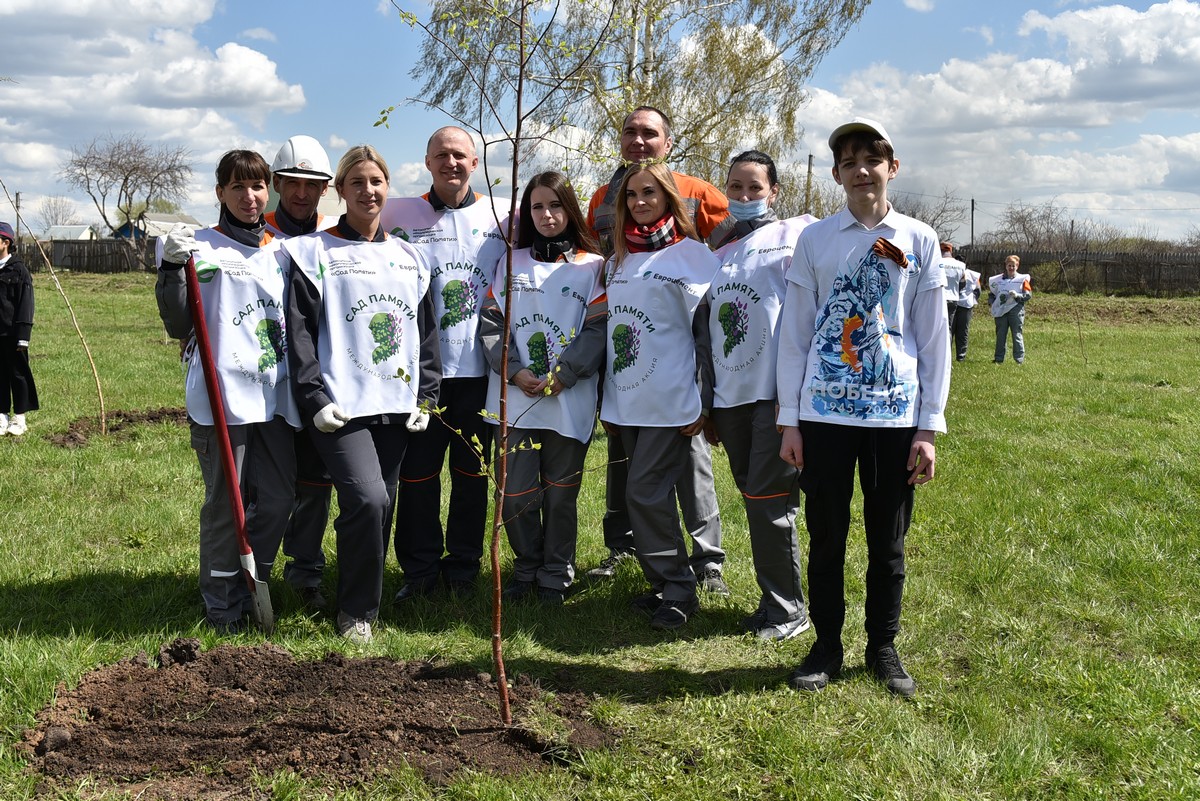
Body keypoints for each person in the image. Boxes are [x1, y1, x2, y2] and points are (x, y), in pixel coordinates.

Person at [777, 118, 950, 697]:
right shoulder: (816, 240)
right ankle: (826, 645)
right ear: (836, 175)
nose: (860, 170)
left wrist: (929, 426)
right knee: (826, 534)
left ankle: (883, 646)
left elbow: (932, 338)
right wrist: (788, 419)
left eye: (870, 159)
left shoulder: (919, 239)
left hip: (893, 416)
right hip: (824, 414)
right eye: (848, 162)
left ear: (891, 167)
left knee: (888, 539)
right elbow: (795, 334)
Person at [284, 144, 441, 643]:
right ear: (339, 191)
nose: (368, 191)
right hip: (340, 406)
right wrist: (314, 398)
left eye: (376, 182)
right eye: (357, 183)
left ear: (386, 188)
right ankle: (356, 613)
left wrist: (428, 397)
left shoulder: (410, 257)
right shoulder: (314, 254)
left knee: (382, 506)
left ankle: (356, 595)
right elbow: (300, 333)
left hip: (395, 406)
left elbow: (426, 334)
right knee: (368, 501)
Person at [585, 105, 730, 595]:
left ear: (668, 142)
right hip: (629, 372)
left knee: (689, 467)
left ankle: (706, 561)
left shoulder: (698, 192)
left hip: (678, 374)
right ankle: (631, 549)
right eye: (630, 132)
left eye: (649, 133)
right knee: (631, 475)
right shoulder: (603, 197)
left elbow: (730, 244)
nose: (638, 141)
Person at [155, 150, 299, 634]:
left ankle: (251, 574)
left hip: (275, 399)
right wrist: (172, 270)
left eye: (258, 186)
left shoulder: (278, 248)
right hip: (220, 399)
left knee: (278, 499)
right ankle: (222, 602)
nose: (249, 196)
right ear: (220, 192)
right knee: (225, 503)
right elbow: (178, 322)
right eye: (238, 187)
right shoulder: (198, 246)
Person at [379, 126, 506, 601]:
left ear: (475, 163)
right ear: (427, 162)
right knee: (417, 476)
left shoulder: (501, 218)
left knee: (472, 476)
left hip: (478, 373)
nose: (451, 163)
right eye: (441, 156)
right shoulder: (398, 212)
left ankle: (464, 567)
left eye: (460, 156)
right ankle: (419, 569)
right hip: (419, 376)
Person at [600, 161, 722, 630]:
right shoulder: (618, 260)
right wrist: (606, 402)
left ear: (669, 197)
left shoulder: (694, 256)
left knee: (645, 492)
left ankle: (678, 588)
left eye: (648, 192)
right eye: (630, 195)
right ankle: (661, 582)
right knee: (641, 497)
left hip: (672, 400)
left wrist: (705, 401)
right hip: (627, 400)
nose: (638, 202)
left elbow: (705, 336)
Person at [478, 172, 607, 604]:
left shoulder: (593, 266)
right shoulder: (509, 262)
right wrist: (513, 371)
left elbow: (597, 329)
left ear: (569, 209)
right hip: (516, 398)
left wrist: (563, 375)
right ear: (527, 214)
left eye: (555, 205)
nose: (547, 215)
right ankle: (526, 566)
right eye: (537, 207)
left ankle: (555, 573)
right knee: (515, 491)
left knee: (560, 495)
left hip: (568, 398)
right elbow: (492, 324)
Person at [705, 151, 816, 641]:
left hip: (775, 394)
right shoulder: (716, 251)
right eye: (735, 188)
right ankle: (773, 600)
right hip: (731, 397)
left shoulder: (796, 235)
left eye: (755, 188)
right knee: (755, 499)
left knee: (772, 501)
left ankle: (789, 610)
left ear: (774, 191)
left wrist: (795, 397)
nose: (744, 197)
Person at [263, 135, 337, 611]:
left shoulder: (333, 235)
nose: (301, 194)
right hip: (266, 379)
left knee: (315, 481)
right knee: (269, 486)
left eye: (312, 185)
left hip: (317, 378)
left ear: (325, 188)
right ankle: (255, 571)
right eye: (292, 183)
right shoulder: (256, 233)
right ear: (276, 183)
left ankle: (305, 571)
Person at [0, 221, 37, 438]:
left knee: (18, 374)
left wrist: (23, 335)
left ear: (6, 242)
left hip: (13, 334)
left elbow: (25, 304)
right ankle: (2, 415)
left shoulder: (19, 270)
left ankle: (20, 418)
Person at [989, 254, 1032, 364]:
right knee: (1000, 335)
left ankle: (1019, 360)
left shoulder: (1023, 279)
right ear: (1006, 265)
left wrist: (1017, 296)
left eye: (1013, 265)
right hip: (1001, 311)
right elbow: (992, 294)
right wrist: (992, 303)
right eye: (1009, 265)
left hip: (1016, 310)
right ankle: (998, 359)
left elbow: (1028, 296)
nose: (1011, 268)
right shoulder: (997, 280)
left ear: (1017, 266)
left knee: (1016, 334)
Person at [953, 261, 981, 362]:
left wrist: (972, 300)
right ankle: (949, 356)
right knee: (951, 331)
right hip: (953, 304)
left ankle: (961, 357)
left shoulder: (972, 275)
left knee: (962, 331)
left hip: (965, 306)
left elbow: (978, 290)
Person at [939, 242, 966, 339]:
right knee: (949, 327)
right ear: (951, 250)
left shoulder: (937, 262)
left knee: (937, 327)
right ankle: (948, 352)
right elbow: (963, 283)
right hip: (954, 298)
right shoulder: (961, 265)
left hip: (939, 298)